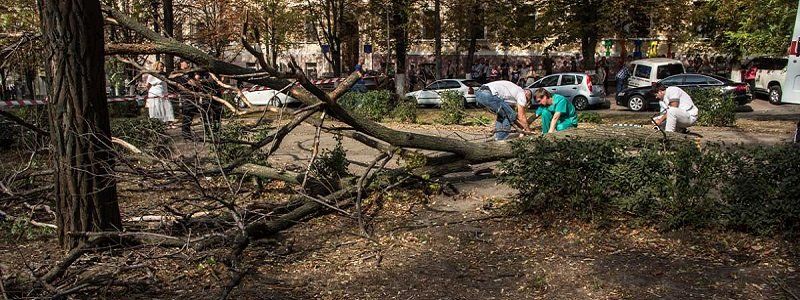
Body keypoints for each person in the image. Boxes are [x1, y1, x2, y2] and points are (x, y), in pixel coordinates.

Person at [171, 60, 201, 140]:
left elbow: (196, 83)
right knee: (187, 114)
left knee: (191, 115)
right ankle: (186, 134)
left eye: (188, 62)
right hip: (186, 96)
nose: (188, 63)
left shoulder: (190, 73)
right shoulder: (177, 74)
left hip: (194, 95)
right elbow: (191, 83)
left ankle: (187, 133)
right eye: (186, 62)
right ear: (180, 64)